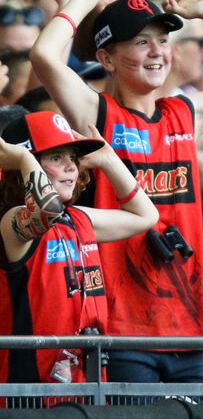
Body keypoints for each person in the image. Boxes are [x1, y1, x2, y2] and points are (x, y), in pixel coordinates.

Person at [30, 0, 203, 383]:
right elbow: (44, 56)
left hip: (188, 328)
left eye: (162, 40)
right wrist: (83, 1)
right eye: (141, 42)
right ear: (107, 58)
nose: (157, 51)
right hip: (121, 330)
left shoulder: (184, 114)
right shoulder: (97, 113)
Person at [0, 110, 158, 383]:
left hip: (86, 379)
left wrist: (109, 160)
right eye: (56, 158)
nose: (72, 167)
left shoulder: (78, 218)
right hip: (29, 389)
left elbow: (146, 215)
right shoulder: (10, 221)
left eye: (73, 158)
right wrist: (24, 159)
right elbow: (45, 212)